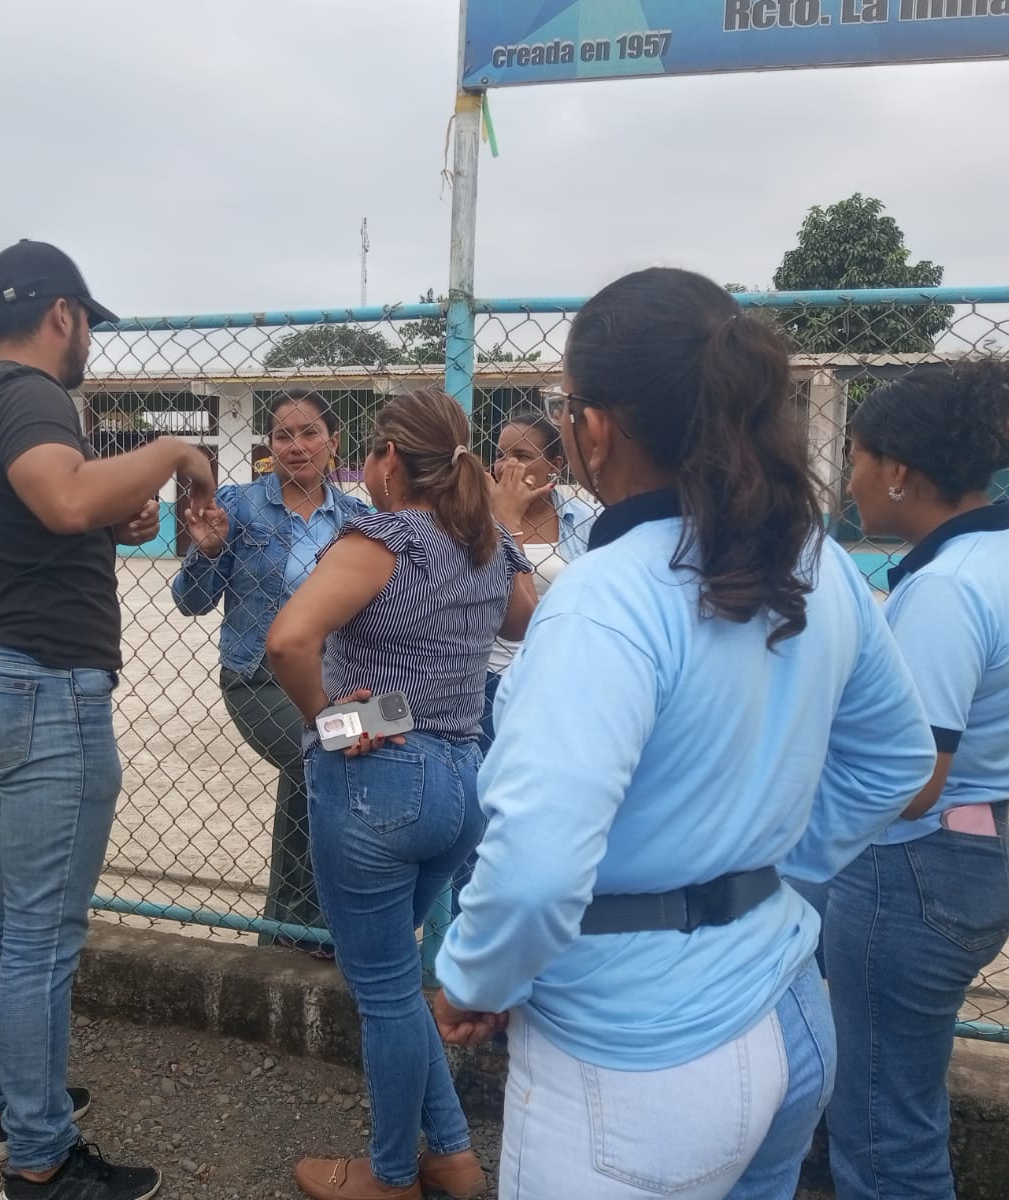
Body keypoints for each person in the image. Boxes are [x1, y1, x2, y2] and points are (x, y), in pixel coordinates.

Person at [431, 267, 938, 1200]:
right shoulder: (813, 558)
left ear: (594, 429)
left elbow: (535, 871)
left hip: (636, 1058)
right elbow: (898, 762)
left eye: (566, 409)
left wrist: (475, 979)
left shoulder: (606, 598)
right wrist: (761, 871)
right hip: (786, 1002)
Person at [0, 239, 215, 1200]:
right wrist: (172, 451)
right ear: (62, 313)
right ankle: (42, 1158)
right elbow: (60, 497)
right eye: (89, 320)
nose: (90, 338)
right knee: (42, 935)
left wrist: (111, 515)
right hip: (46, 689)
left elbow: (52, 511)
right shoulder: (32, 393)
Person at [266, 389, 536, 1200]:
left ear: (387, 459)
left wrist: (329, 721)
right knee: (392, 982)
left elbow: (288, 641)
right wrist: (501, 535)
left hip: (382, 777)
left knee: (383, 992)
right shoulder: (487, 543)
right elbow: (525, 621)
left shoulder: (383, 538)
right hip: (462, 781)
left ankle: (388, 1177)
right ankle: (450, 1155)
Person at [818, 359, 1009, 1200]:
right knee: (901, 1109)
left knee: (882, 1137)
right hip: (965, 859)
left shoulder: (948, 588)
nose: (849, 479)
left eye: (855, 457)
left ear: (897, 469)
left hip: (911, 871)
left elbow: (911, 776)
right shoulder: (1007, 552)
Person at [171, 389, 369, 952]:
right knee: (326, 753)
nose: (297, 445)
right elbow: (191, 602)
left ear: (334, 442)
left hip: (334, 680)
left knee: (353, 749)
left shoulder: (357, 519)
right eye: (284, 435)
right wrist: (209, 551)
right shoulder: (239, 505)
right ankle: (319, 925)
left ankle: (284, 928)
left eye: (310, 433)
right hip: (257, 677)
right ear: (269, 445)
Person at [479, 406, 596, 749]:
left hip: (558, 674)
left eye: (522, 456)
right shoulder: (475, 520)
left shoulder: (584, 520)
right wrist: (504, 519)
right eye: (501, 455)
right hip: (487, 676)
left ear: (554, 465)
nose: (507, 466)